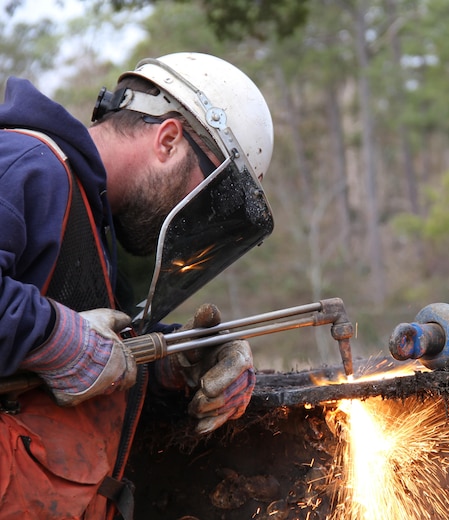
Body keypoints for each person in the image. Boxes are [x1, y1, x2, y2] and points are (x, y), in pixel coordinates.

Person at [0, 52, 275, 519]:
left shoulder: (91, 222)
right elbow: (56, 341)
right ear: (168, 140)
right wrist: (51, 337)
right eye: (204, 194)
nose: (196, 219)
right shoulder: (25, 165)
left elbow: (66, 374)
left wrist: (172, 362)